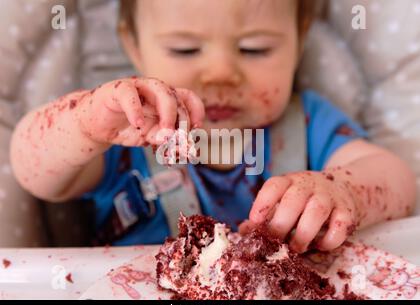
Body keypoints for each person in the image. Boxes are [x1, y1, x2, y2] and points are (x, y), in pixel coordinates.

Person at [10, 0, 416, 253]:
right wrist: (84, 122)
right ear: (133, 46)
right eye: (185, 49)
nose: (221, 74)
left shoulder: (310, 123)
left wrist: (342, 189)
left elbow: (398, 181)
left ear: (299, 39)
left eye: (254, 49)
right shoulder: (121, 131)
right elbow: (34, 172)